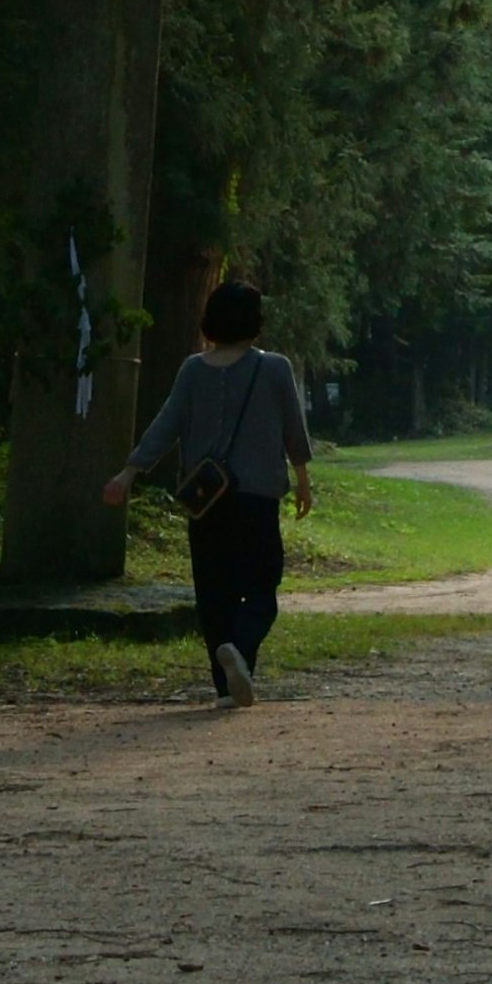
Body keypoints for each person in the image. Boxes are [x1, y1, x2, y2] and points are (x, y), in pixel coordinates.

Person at [104, 279, 314, 705]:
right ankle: (238, 650)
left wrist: (129, 472)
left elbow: (166, 425)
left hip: (205, 502)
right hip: (256, 499)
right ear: (255, 321)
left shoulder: (193, 370)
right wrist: (303, 481)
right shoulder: (274, 367)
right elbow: (294, 429)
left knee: (213, 592)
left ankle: (226, 686)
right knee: (260, 587)